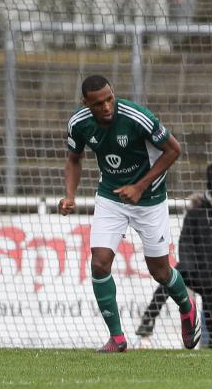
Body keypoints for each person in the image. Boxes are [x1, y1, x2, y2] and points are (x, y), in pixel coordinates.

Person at [59, 75, 199, 352]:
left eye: (109, 99)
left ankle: (187, 306)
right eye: (98, 103)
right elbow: (74, 159)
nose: (106, 107)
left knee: (159, 271)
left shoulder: (137, 117)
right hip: (111, 196)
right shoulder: (79, 123)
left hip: (150, 199)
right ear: (86, 104)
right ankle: (117, 337)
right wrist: (70, 195)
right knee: (99, 263)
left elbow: (174, 150)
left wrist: (139, 186)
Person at [135, 163, 212, 348]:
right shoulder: (196, 213)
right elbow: (186, 242)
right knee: (168, 278)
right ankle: (148, 319)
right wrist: (188, 266)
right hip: (196, 271)